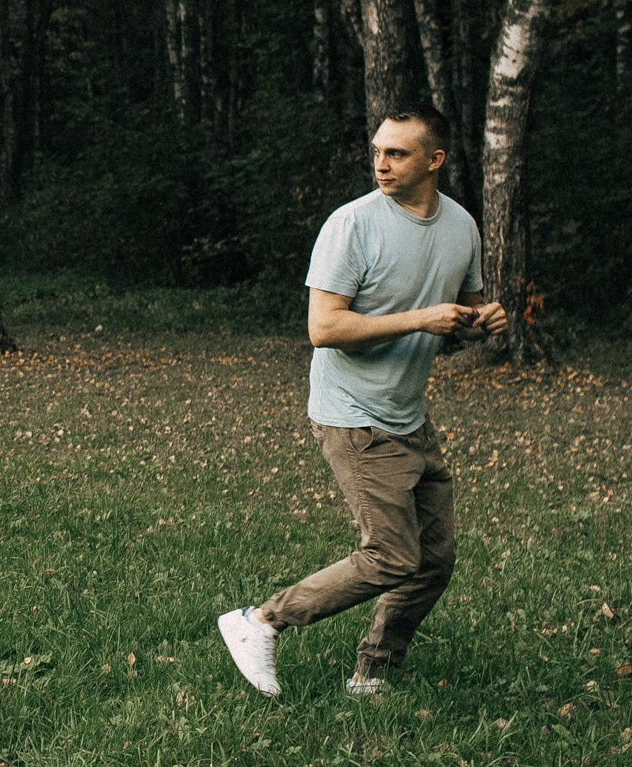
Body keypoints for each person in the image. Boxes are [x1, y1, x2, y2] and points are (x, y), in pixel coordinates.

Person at [218, 107, 508, 697]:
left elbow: (462, 316)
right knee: (393, 555)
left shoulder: (461, 227)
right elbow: (323, 329)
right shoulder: (351, 225)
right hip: (353, 414)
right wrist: (421, 319)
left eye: (397, 153)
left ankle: (372, 675)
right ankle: (261, 621)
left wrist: (482, 322)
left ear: (435, 161)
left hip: (410, 415)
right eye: (377, 150)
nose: (381, 162)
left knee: (433, 561)